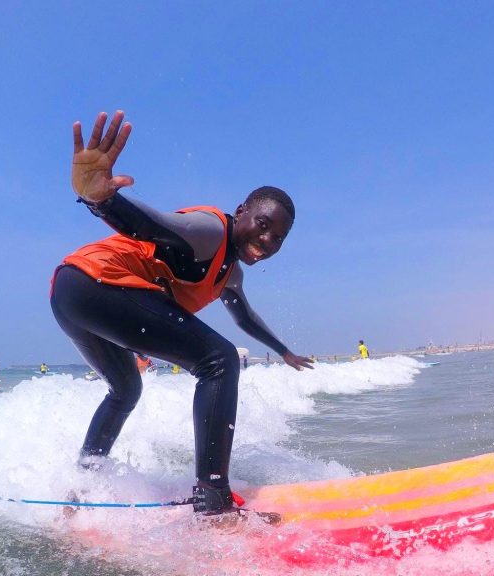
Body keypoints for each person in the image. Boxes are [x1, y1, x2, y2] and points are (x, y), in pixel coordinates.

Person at [50, 110, 314, 516]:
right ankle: (213, 501)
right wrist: (100, 198)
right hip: (94, 281)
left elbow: (244, 319)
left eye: (277, 238)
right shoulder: (212, 231)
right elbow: (150, 225)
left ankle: (78, 491)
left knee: (125, 390)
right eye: (262, 225)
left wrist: (283, 351)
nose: (267, 240)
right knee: (219, 360)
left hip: (69, 293)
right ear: (241, 210)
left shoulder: (229, 274)